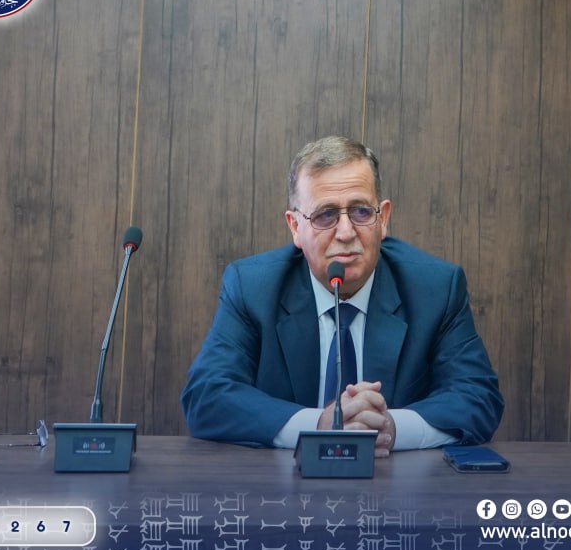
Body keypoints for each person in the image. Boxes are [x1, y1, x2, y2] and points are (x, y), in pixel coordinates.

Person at [182, 136, 504, 455]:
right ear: (295, 227)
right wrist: (317, 426)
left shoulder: (435, 288)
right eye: (325, 215)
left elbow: (478, 396)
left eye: (361, 212)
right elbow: (207, 395)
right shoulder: (253, 288)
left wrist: (392, 428)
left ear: (383, 218)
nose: (346, 232)